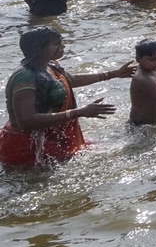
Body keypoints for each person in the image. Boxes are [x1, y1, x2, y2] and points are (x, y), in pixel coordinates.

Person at [0, 27, 134, 167]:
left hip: (53, 139)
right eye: (56, 43)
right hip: (28, 148)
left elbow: (70, 80)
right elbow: (26, 121)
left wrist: (113, 74)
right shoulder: (25, 77)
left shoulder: (50, 65)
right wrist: (79, 112)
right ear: (40, 48)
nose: (62, 46)